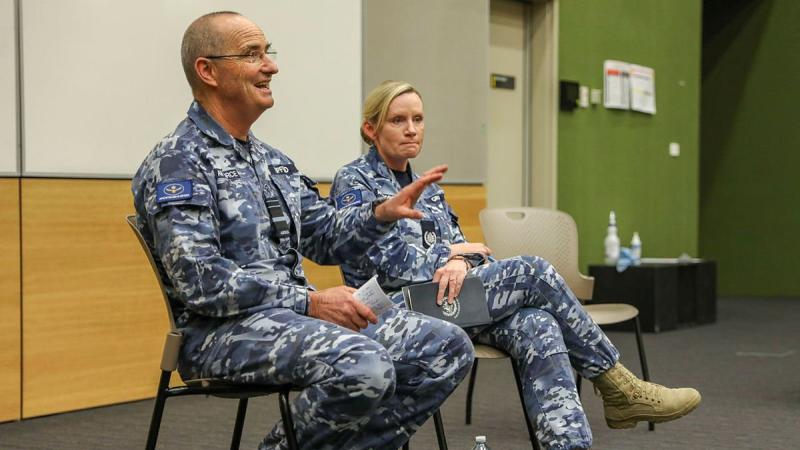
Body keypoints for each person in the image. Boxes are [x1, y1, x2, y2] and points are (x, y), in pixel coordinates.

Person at [132, 14, 474, 450]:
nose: (270, 66)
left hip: (292, 318)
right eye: (252, 54)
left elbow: (325, 237)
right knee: (364, 365)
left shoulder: (270, 160)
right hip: (219, 333)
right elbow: (201, 282)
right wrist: (310, 301)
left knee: (444, 345)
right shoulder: (179, 160)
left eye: (267, 53)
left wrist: (381, 213)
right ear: (208, 71)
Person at [331, 80, 702, 450]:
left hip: (447, 300)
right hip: (393, 310)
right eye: (398, 120)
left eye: (418, 118)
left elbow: (478, 252)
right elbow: (379, 259)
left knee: (536, 324)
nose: (411, 129)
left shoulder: (429, 189)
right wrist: (448, 255)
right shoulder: (354, 182)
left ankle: (569, 445)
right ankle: (620, 387)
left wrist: (459, 257)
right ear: (371, 129)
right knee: (532, 271)